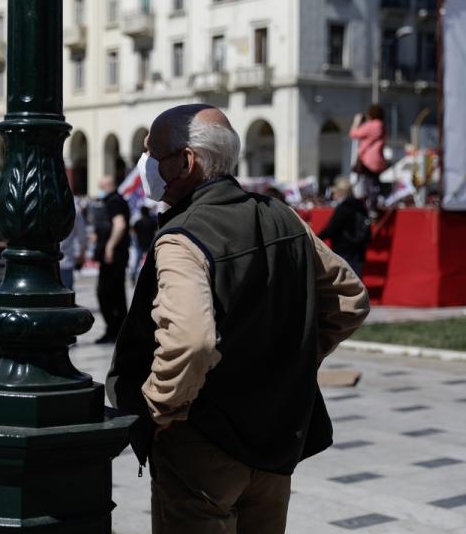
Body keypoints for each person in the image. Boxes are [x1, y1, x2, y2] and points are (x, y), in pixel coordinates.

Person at [106, 105, 370, 534]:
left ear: (186, 162)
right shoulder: (282, 215)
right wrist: (293, 359)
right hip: (274, 441)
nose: (145, 163)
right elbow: (349, 299)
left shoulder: (182, 236)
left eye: (153, 152)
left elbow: (192, 343)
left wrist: (160, 408)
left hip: (201, 446)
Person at [93, 175, 130, 344]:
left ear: (108, 186)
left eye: (100, 186)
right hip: (117, 254)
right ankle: (119, 330)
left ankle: (113, 330)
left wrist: (110, 246)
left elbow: (119, 224)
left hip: (114, 255)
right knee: (116, 293)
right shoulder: (116, 200)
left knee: (105, 293)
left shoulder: (114, 201)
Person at [319, 176, 371, 277]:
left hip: (344, 251)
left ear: (340, 192)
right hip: (358, 251)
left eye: (335, 192)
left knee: (344, 285)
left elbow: (331, 230)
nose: (333, 194)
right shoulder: (360, 206)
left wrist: (316, 238)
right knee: (356, 284)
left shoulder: (343, 208)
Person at [350, 104, 387, 208]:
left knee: (367, 184)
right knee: (374, 183)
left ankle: (370, 207)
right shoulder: (382, 125)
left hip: (368, 160)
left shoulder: (371, 125)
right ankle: (374, 204)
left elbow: (353, 134)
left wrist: (356, 122)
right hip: (378, 159)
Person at [59, 198, 87, 290]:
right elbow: (82, 235)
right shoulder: (73, 205)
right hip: (65, 260)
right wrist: (82, 253)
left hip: (48, 261)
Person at [131, 204, 157, 282]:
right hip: (149, 244)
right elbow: (156, 231)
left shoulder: (138, 222)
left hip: (140, 244)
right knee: (152, 262)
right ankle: (153, 277)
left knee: (137, 261)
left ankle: (133, 276)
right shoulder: (152, 222)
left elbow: (133, 232)